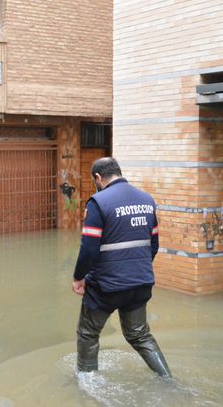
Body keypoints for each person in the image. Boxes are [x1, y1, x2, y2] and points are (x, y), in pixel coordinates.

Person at [71, 157, 171, 377]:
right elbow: (153, 245)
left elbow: (88, 248)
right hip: (140, 283)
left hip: (105, 287)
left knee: (88, 333)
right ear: (118, 172)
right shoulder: (146, 200)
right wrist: (135, 270)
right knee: (140, 335)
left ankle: (87, 384)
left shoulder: (98, 202)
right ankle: (168, 379)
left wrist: (79, 277)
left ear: (98, 177)